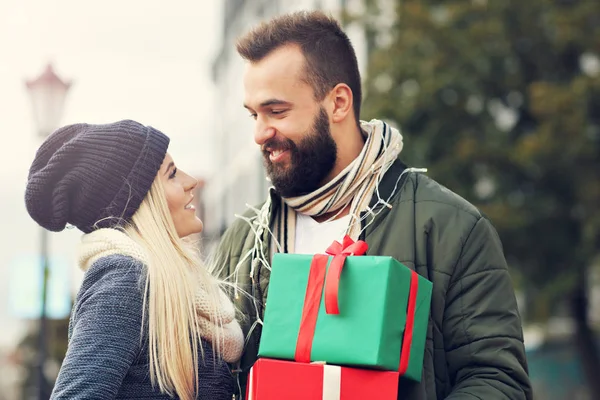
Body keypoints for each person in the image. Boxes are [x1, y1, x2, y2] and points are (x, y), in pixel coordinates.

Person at [215, 10, 532, 400]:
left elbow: (499, 381)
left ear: (339, 102)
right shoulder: (242, 240)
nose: (260, 133)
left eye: (276, 111)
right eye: (253, 115)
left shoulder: (451, 227)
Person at [25, 120, 244, 400]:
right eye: (172, 175)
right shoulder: (126, 279)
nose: (191, 181)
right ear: (141, 201)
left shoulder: (161, 281)